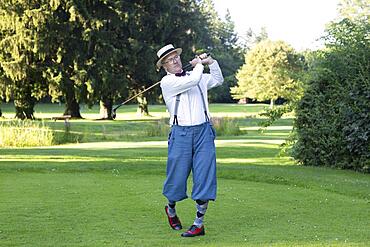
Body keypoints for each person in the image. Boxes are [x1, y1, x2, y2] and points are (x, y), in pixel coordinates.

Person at [156, 44, 224, 237]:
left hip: (204, 132)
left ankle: (198, 223)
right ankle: (170, 208)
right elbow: (194, 79)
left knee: (205, 176)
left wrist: (211, 62)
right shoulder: (167, 83)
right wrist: (199, 64)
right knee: (176, 178)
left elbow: (218, 79)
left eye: (176, 57)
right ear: (164, 66)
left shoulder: (199, 77)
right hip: (180, 134)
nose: (175, 61)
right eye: (169, 60)